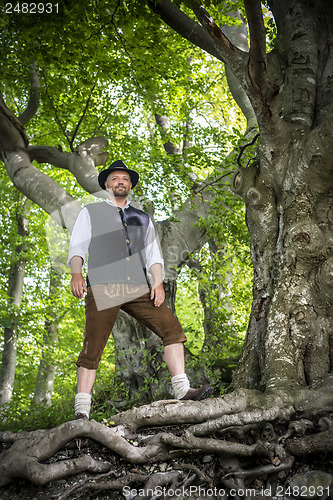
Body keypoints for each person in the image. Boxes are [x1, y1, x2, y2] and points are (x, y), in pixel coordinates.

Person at [68, 160, 213, 419]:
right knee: (93, 347)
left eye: (125, 179)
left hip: (136, 286)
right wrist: (76, 274)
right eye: (115, 178)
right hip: (102, 285)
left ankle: (182, 389)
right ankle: (82, 412)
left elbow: (153, 256)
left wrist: (157, 282)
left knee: (172, 329)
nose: (120, 182)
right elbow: (77, 247)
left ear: (130, 185)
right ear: (106, 184)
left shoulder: (141, 217)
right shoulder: (90, 213)